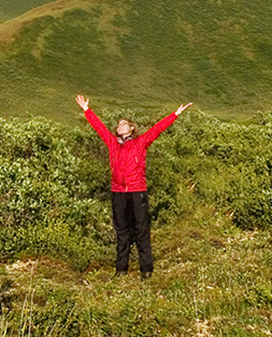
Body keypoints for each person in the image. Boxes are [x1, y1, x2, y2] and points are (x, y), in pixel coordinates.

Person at [76, 93, 192, 278]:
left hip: (137, 191)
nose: (120, 126)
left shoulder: (140, 143)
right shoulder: (112, 144)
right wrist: (86, 110)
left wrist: (175, 114)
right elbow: (99, 128)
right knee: (121, 232)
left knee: (141, 230)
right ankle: (121, 270)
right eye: (119, 124)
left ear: (131, 128)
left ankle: (146, 270)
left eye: (124, 124)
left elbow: (157, 129)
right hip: (118, 192)